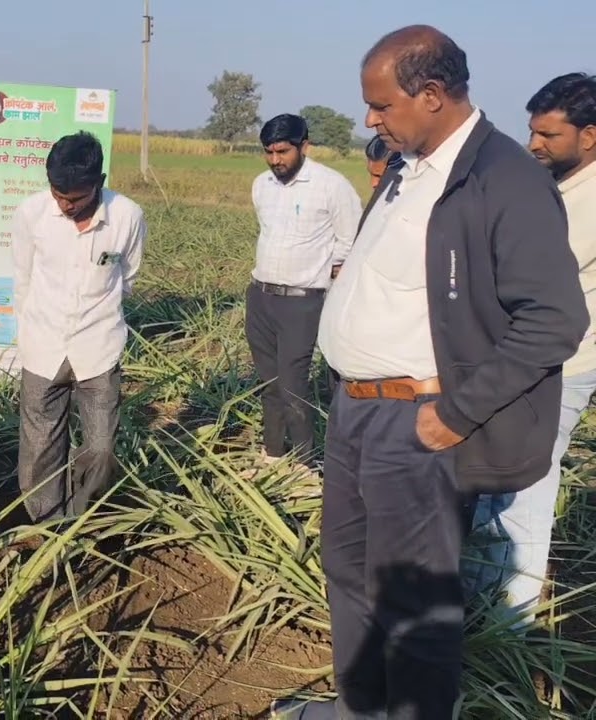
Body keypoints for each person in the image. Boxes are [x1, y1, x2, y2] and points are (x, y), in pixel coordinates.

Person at [275, 25, 588, 720]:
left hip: (416, 421)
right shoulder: (408, 170)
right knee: (350, 570)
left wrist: (455, 412)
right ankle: (363, 708)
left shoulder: (503, 180)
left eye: (381, 105)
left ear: (434, 95)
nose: (370, 120)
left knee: (414, 599)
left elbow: (555, 319)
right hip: (357, 410)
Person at [469, 72, 596, 628]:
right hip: (522, 360)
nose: (533, 144)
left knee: (524, 490)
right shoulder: (559, 186)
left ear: (589, 136)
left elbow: (519, 270)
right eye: (531, 131)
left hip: (560, 366)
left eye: (547, 134)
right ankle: (480, 594)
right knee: (495, 480)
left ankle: (507, 622)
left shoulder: (589, 201)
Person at [12, 131, 146, 522]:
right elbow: (22, 279)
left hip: (99, 348)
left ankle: (83, 516)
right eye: (58, 194)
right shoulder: (31, 214)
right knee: (39, 447)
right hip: (43, 345)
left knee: (102, 447)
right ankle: (48, 523)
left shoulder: (127, 217)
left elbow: (128, 279)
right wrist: (30, 334)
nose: (65, 204)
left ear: (99, 184)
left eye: (75, 198)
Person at [246, 114, 361, 473]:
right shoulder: (261, 185)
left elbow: (351, 238)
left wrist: (327, 272)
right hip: (261, 296)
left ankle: (304, 464)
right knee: (269, 383)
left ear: (304, 146)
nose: (275, 159)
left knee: (294, 384)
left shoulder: (331, 186)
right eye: (269, 152)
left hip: (302, 301)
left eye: (282, 151)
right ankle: (272, 455)